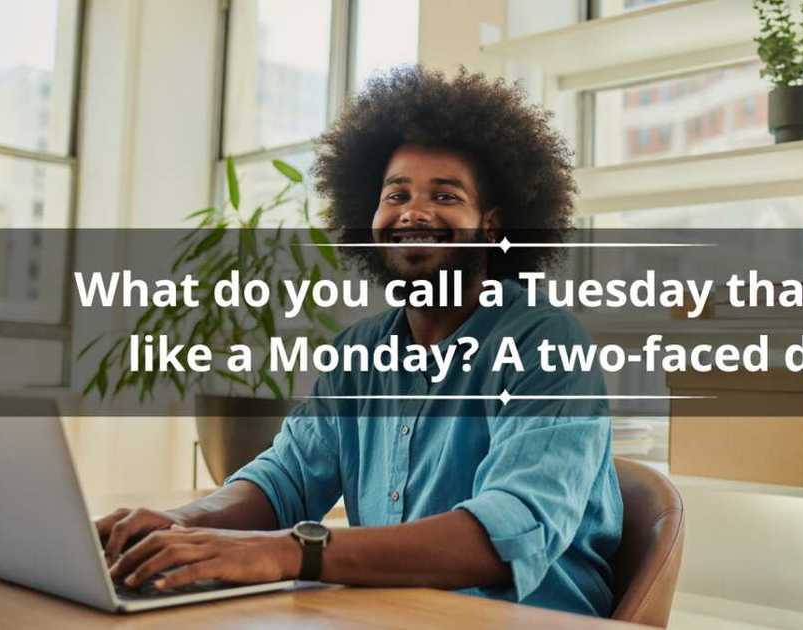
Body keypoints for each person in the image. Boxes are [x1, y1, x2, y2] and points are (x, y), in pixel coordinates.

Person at [98, 66, 622, 618]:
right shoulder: (358, 353)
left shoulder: (547, 343)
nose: (413, 212)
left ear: (491, 226)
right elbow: (285, 479)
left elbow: (508, 530)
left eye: (444, 195)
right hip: (392, 616)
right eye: (396, 194)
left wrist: (290, 553)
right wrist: (181, 523)